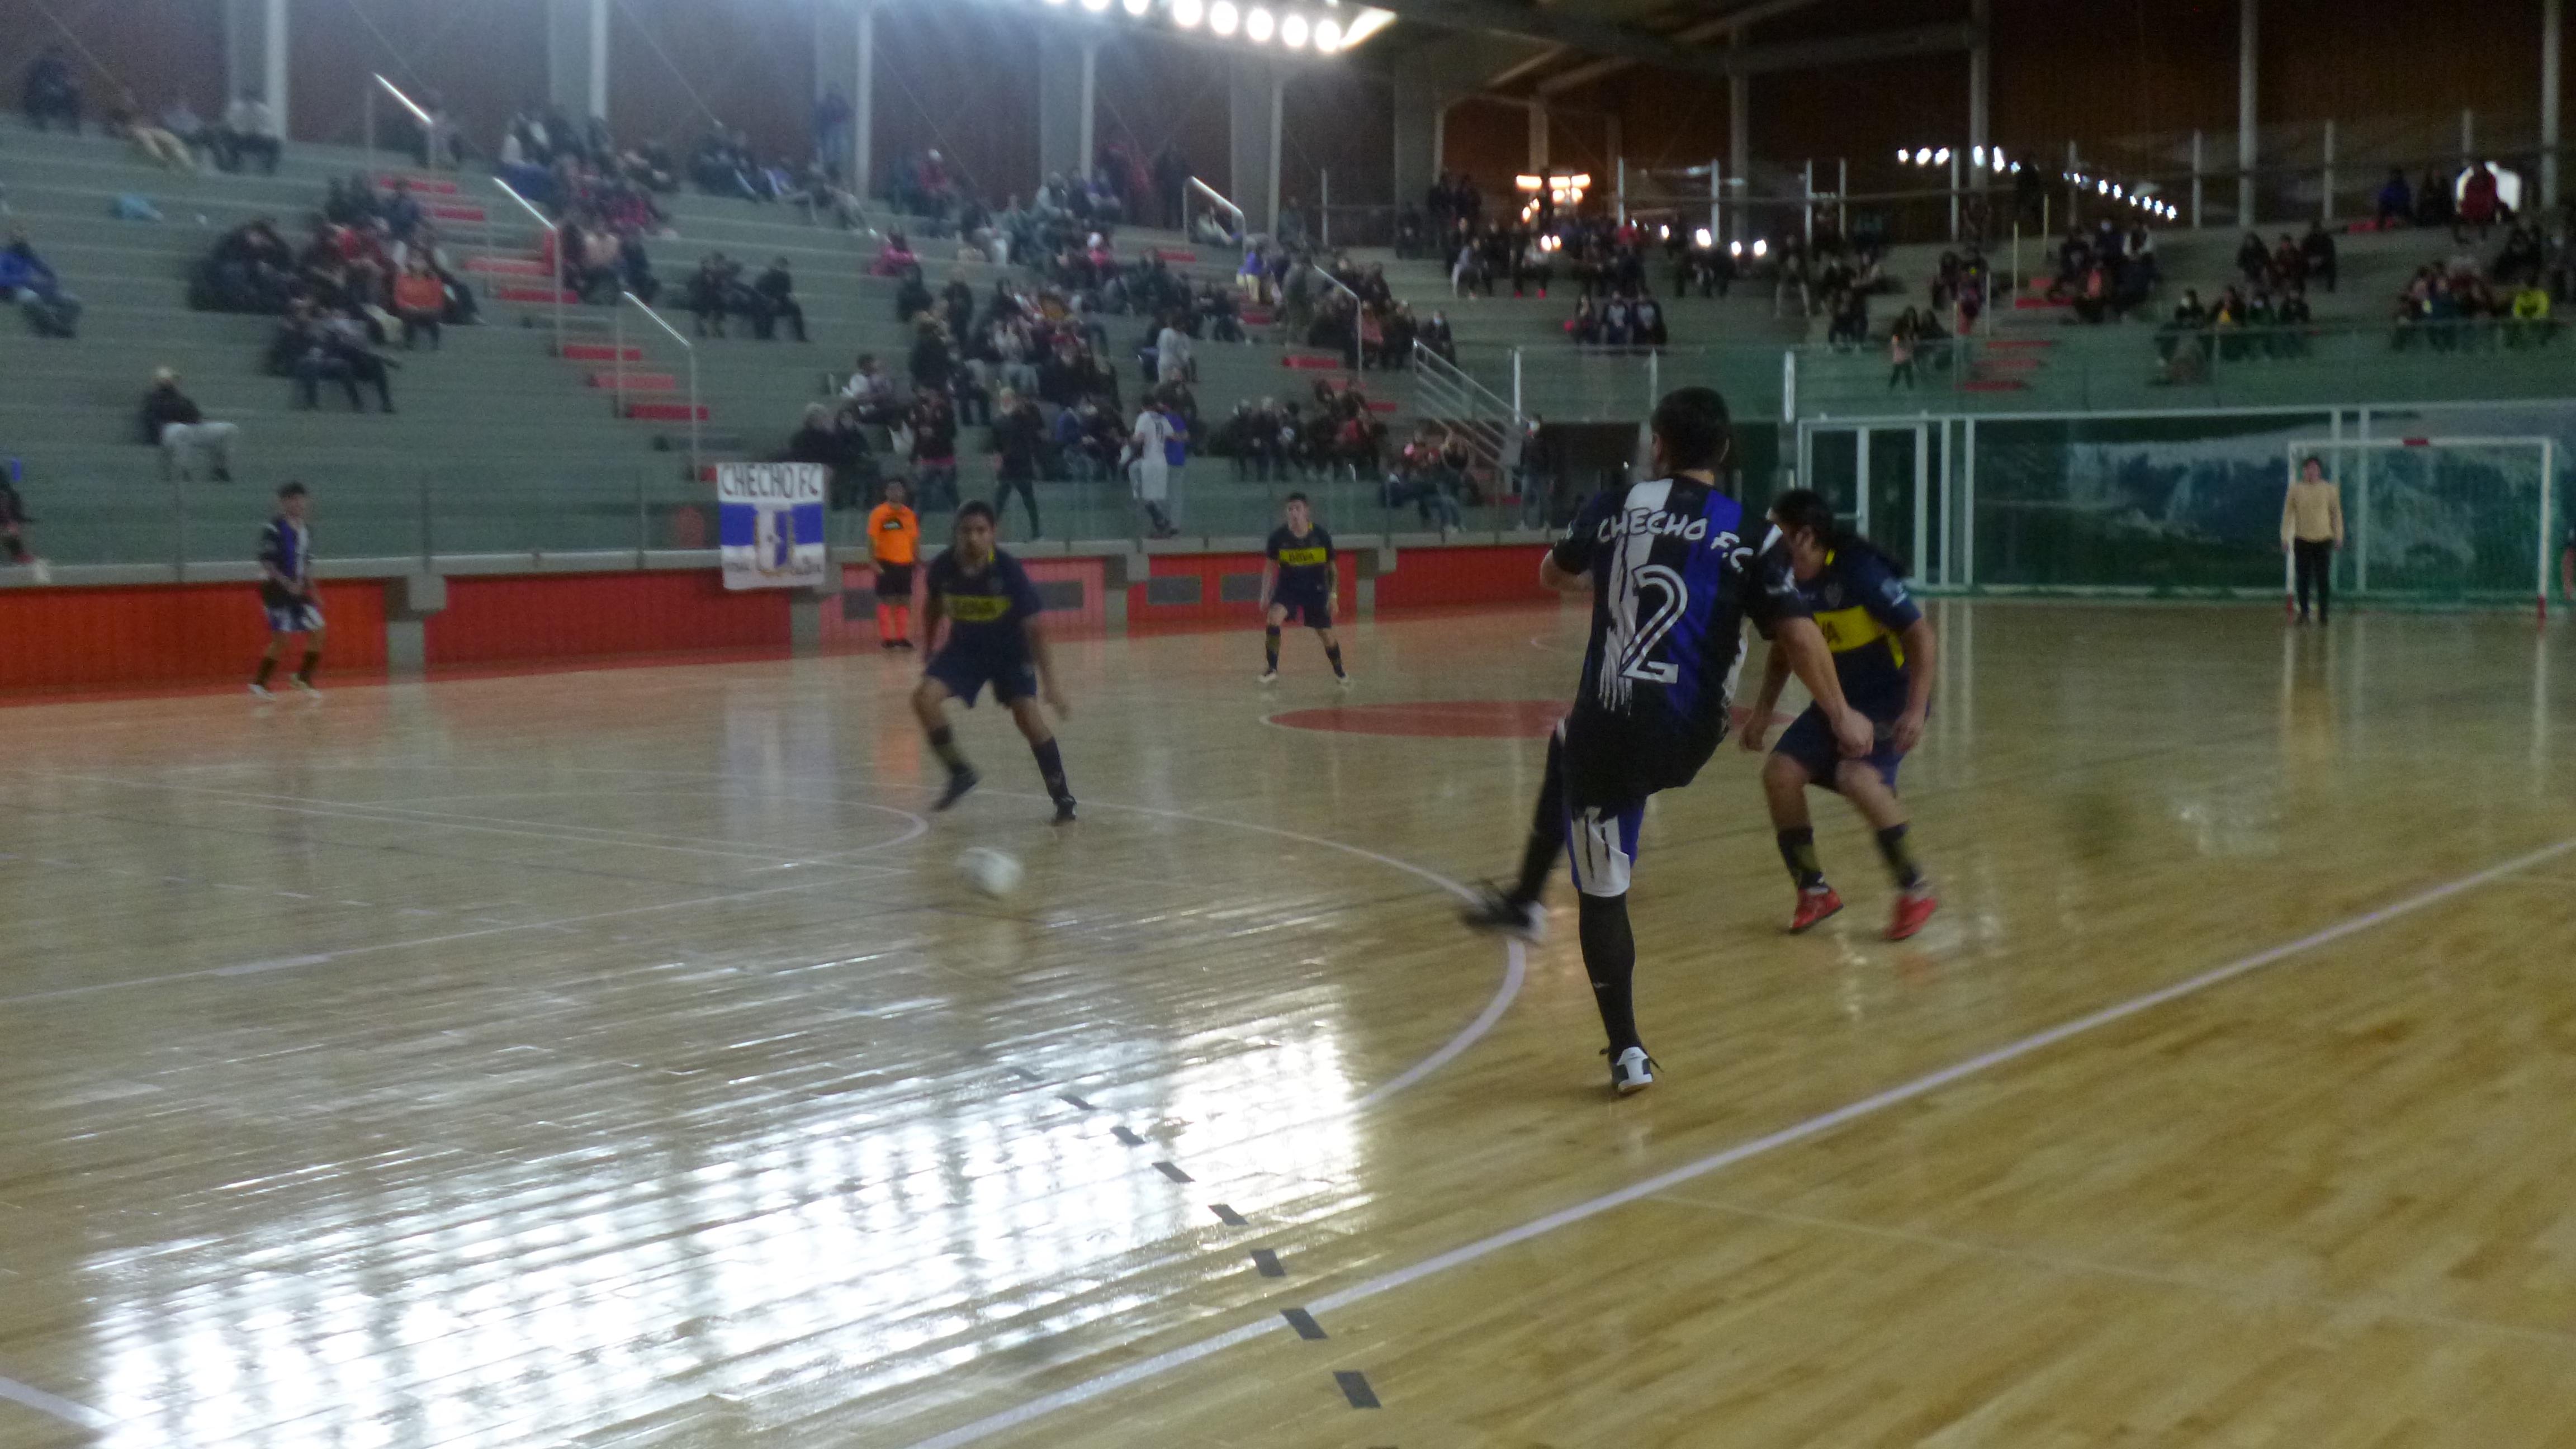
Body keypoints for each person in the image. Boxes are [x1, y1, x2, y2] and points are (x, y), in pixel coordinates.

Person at [1460, 387, 1868, 1095]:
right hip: (1692, 733)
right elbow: (1799, 635)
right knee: (1571, 743)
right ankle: (1527, 899)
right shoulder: (1753, 534)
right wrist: (1840, 715)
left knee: (1603, 886)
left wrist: (1588, 569)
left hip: (1609, 730)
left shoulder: (1617, 508)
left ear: (1659, 446)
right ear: (1725, 452)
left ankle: (1627, 1051)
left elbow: (1551, 575)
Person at [1738, 489, 1941, 941]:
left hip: (1890, 700)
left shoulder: (1857, 573)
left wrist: (1914, 709)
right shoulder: (1784, 580)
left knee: (1856, 777)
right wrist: (1761, 712)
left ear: (1805, 536)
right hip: (1839, 702)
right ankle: (1814, 891)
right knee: (1780, 773)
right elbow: (1786, 650)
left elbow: (1922, 638)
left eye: (1779, 530)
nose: (1769, 538)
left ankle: (1916, 889)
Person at [912, 501, 1077, 822]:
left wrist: (1052, 685)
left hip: (1010, 653)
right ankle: (960, 773)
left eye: (980, 531)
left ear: (993, 534)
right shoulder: (943, 568)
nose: (973, 538)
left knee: (1027, 717)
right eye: (966, 531)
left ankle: (1062, 796)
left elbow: (1036, 630)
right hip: (965, 650)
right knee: (923, 699)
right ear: (955, 533)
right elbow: (933, 608)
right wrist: (929, 647)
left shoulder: (1008, 571)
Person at [1258, 493, 1349, 687]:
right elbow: (1269, 568)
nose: (1294, 513)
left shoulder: (1320, 536)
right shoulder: (1278, 538)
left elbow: (1332, 568)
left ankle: (1340, 670)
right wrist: (1264, 594)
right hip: (1288, 588)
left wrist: (1333, 596)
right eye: (1290, 509)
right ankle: (1272, 668)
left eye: (1298, 508)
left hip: (1315, 590)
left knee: (1326, 634)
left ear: (1307, 511)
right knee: (1273, 618)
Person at [250, 482, 324, 697]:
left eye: (301, 499)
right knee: (281, 639)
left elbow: (305, 564)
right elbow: (268, 563)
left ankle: (303, 678)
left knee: (319, 630)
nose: (299, 503)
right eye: (293, 499)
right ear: (283, 502)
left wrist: (314, 591)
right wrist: (286, 584)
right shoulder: (273, 528)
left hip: (298, 589)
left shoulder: (306, 531)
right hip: (275, 589)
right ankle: (260, 684)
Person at [2281, 454, 2345, 625]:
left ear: (2320, 471)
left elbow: (2336, 514)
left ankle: (2323, 614)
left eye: (2315, 469)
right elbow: (2288, 514)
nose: (2311, 472)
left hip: (2324, 540)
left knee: (2323, 579)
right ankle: (2304, 613)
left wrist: (2339, 536)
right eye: (2308, 469)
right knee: (2303, 579)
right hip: (2302, 539)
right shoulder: (2295, 490)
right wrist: (2285, 537)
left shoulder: (2329, 489)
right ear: (2304, 471)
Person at [141, 368, 236, 481]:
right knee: (181, 430)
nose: (172, 382)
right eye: (168, 380)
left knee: (229, 429)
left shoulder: (181, 398)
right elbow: (155, 420)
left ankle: (219, 469)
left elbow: (195, 416)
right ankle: (180, 471)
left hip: (190, 428)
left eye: (173, 380)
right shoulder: (152, 399)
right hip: (166, 431)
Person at [865, 478, 920, 651]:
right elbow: (872, 539)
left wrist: (916, 559)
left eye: (899, 490)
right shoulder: (879, 513)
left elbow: (915, 539)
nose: (896, 493)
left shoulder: (909, 515)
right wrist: (873, 561)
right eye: (892, 490)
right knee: (886, 599)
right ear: (887, 492)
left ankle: (901, 637)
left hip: (905, 563)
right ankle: (887, 638)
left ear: (903, 493)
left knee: (904, 600)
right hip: (886, 563)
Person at [1126, 391, 1183, 539]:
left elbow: (1139, 439)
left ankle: (1162, 522)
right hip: (1162, 462)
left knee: (1145, 495)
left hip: (1149, 462)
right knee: (1157, 497)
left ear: (1142, 405)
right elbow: (1175, 437)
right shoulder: (1162, 419)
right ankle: (1162, 526)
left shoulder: (1144, 418)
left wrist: (1128, 440)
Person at [752, 257, 807, 342]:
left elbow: (787, 292)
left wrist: (786, 299)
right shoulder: (765, 277)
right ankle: (767, 335)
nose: (782, 268)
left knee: (795, 308)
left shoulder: (786, 277)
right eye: (780, 265)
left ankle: (801, 336)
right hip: (765, 303)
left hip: (780, 302)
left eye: (784, 266)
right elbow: (759, 292)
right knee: (772, 308)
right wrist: (770, 300)